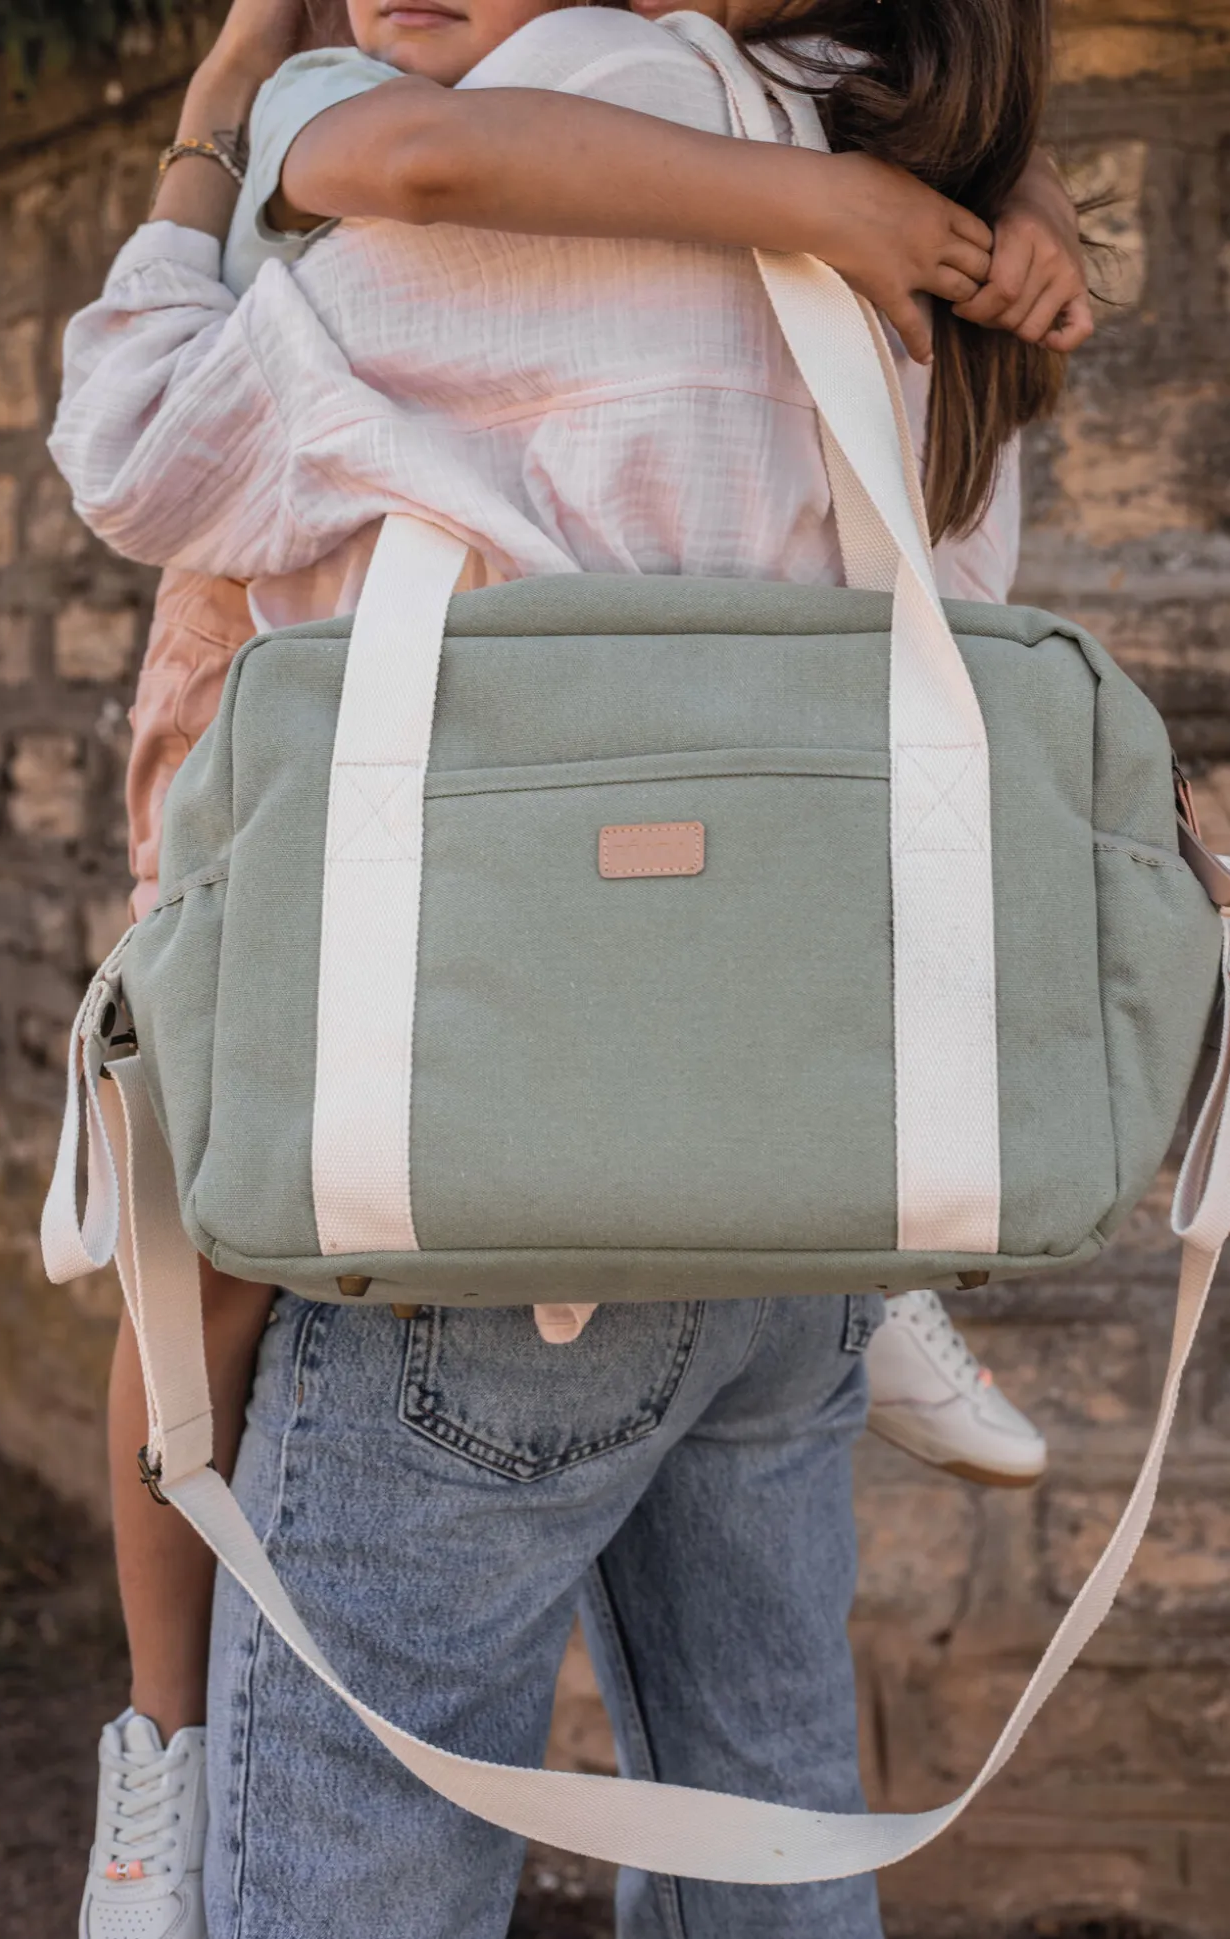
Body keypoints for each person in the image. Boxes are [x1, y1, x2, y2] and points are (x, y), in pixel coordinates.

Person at [54, 1, 1086, 1933]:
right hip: (796, 1194)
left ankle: (163, 1751)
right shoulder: (913, 185)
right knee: (765, 1808)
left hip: (486, 1175)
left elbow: (138, 451)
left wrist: (206, 133)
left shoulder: (563, 117)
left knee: (359, 1840)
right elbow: (952, 586)